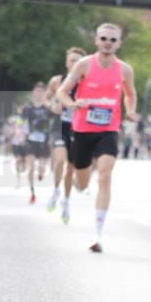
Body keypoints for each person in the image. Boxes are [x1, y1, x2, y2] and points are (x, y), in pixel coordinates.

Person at [56, 23, 138, 252]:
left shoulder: (124, 70)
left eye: (113, 40)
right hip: (82, 130)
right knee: (82, 184)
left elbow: (130, 94)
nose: (108, 43)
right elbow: (62, 92)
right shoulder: (84, 65)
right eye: (104, 38)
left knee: (105, 175)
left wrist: (130, 110)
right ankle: (79, 181)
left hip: (108, 129)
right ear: (96, 40)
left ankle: (98, 234)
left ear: (119, 43)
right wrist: (73, 104)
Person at [45, 47, 86, 223]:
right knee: (60, 160)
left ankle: (66, 203)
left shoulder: (87, 81)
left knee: (70, 170)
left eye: (78, 60)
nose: (75, 63)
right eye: (72, 60)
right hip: (60, 125)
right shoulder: (57, 81)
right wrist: (51, 105)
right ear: (66, 62)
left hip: (77, 127)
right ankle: (55, 190)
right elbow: (46, 98)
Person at [21, 83, 52, 204]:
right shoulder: (27, 108)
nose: (38, 93)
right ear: (33, 93)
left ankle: (41, 173)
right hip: (31, 140)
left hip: (44, 140)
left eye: (41, 91)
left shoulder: (47, 108)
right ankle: (32, 192)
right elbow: (22, 123)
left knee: (42, 168)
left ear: (44, 93)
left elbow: (53, 123)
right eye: (36, 91)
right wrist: (22, 134)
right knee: (30, 168)